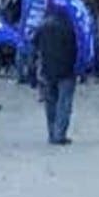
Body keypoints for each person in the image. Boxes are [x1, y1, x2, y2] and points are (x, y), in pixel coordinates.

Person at [36, 10, 78, 145]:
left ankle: (52, 132)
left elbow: (34, 45)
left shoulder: (42, 27)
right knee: (64, 103)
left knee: (50, 102)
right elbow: (74, 48)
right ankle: (60, 134)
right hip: (66, 70)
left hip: (47, 69)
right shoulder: (68, 26)